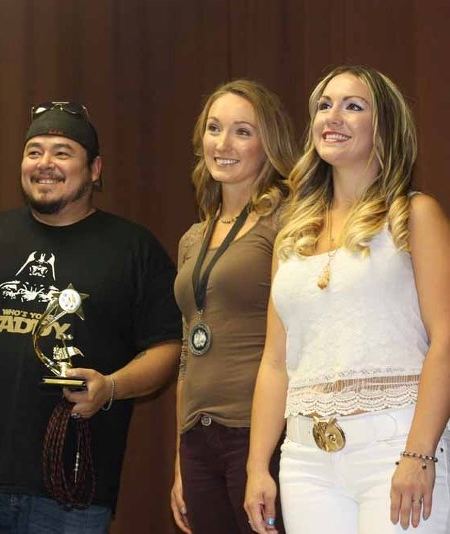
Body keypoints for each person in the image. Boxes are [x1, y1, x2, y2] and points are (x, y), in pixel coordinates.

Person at [0, 102, 182, 533]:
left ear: (95, 169)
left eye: (61, 152)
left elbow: (167, 346)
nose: (44, 164)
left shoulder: (132, 248)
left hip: (72, 492)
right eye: (34, 151)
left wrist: (111, 386)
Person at [244, 65, 450, 533]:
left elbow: (446, 341)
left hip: (395, 447)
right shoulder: (291, 235)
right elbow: (276, 362)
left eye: (353, 106)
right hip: (304, 460)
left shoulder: (415, 215)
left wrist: (419, 453)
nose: (332, 116)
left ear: (385, 127)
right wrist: (260, 465)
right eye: (324, 105)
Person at [170, 80, 297, 534]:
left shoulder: (288, 221)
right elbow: (188, 351)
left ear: (270, 144)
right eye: (214, 128)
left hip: (258, 434)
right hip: (197, 437)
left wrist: (261, 458)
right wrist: (180, 462)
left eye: (243, 132)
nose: (223, 144)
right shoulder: (191, 239)